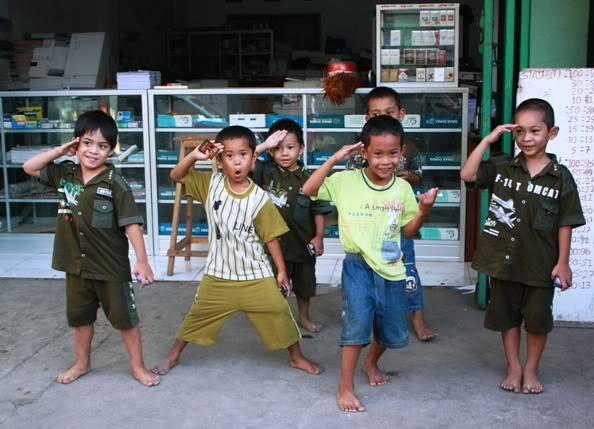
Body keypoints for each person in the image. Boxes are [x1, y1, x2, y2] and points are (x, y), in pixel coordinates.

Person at [152, 125, 320, 376]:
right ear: (219, 161)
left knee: (279, 311)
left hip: (256, 275)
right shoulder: (211, 184)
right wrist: (194, 156)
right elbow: (176, 175)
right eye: (229, 156)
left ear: (253, 159)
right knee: (197, 315)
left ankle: (296, 357)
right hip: (218, 275)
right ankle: (173, 357)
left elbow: (272, 238)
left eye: (243, 154)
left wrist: (281, 272)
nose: (237, 161)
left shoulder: (260, 198)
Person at [303, 115, 438, 412]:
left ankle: (371, 362)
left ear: (402, 152)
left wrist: (423, 211)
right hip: (358, 266)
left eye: (393, 153)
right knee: (357, 324)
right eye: (378, 153)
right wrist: (335, 158)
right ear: (364, 152)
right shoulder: (346, 180)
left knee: (391, 332)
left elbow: (408, 232)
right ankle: (345, 386)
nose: (386, 161)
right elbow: (309, 189)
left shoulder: (402, 189)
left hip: (391, 267)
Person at [23, 110, 158, 387]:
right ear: (76, 143)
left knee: (125, 319)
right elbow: (29, 167)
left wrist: (142, 260)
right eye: (86, 143)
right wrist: (59, 151)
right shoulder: (65, 173)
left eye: (102, 146)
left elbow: (132, 224)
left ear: (110, 151)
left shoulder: (115, 183)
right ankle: (81, 363)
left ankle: (138, 367)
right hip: (75, 264)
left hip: (110, 266)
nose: (93, 151)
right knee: (80, 318)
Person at [460, 98, 585, 394]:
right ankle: (514, 367)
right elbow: (468, 175)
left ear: (552, 132)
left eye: (535, 131)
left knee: (538, 321)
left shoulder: (561, 177)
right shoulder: (503, 166)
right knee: (508, 317)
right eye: (520, 131)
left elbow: (566, 222)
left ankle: (531, 370)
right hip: (504, 262)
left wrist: (563, 262)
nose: (526, 138)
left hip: (541, 263)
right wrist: (488, 140)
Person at [363, 86, 436, 342]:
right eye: (376, 114)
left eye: (390, 112)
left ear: (401, 114)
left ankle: (417, 317)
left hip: (400, 220)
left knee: (407, 267)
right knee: (365, 269)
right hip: (370, 222)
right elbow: (352, 181)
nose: (383, 117)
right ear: (367, 118)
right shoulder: (362, 149)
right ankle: (367, 313)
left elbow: (419, 176)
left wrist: (406, 176)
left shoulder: (409, 148)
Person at [253, 119, 334, 333]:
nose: (284, 153)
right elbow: (245, 160)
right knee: (275, 286)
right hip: (274, 246)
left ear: (301, 148)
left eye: (290, 147)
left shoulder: (310, 179)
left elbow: (318, 209)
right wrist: (264, 145)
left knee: (304, 286)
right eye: (277, 148)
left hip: (302, 244)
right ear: (271, 151)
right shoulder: (264, 172)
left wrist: (319, 236)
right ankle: (278, 320)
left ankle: (304, 317)